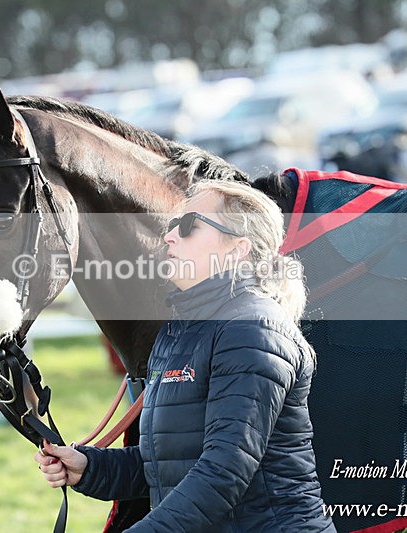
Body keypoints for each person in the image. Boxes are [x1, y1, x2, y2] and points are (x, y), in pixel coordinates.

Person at [35, 180, 335, 532]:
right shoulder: (180, 330)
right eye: (173, 225)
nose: (169, 237)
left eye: (190, 225)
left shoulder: (253, 330)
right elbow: (166, 465)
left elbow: (222, 474)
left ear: (237, 249)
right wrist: (89, 467)